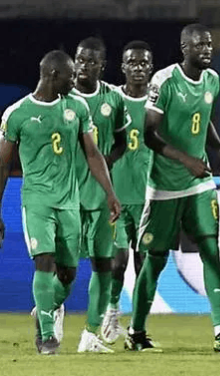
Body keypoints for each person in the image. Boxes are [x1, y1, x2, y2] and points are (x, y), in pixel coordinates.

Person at [125, 23, 220, 353]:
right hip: (164, 186)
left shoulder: (212, 80)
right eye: (200, 45)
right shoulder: (163, 82)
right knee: (155, 260)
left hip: (199, 183)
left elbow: (203, 117)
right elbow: (149, 133)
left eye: (210, 43)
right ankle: (135, 332)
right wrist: (184, 160)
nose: (207, 49)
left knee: (210, 249)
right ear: (184, 48)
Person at [0, 50, 121, 355]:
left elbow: (93, 154)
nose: (74, 80)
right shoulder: (17, 113)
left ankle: (45, 306)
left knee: (67, 274)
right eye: (69, 75)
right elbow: (2, 165)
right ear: (53, 75)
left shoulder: (77, 108)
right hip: (37, 201)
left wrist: (109, 192)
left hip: (70, 203)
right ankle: (44, 334)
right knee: (44, 261)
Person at [72, 37, 130, 353]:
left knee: (103, 265)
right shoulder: (62, 98)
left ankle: (89, 335)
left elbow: (121, 142)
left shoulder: (114, 100)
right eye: (80, 59)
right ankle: (50, 310)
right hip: (65, 195)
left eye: (91, 61)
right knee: (60, 267)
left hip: (100, 196)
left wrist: (105, 164)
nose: (84, 66)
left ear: (101, 65)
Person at [101, 40, 154, 345]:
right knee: (118, 262)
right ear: (122, 67)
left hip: (150, 200)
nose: (138, 68)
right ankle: (111, 311)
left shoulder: (159, 103)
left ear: (151, 67)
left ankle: (138, 328)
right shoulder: (111, 99)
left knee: (144, 265)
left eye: (144, 63)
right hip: (117, 198)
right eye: (132, 63)